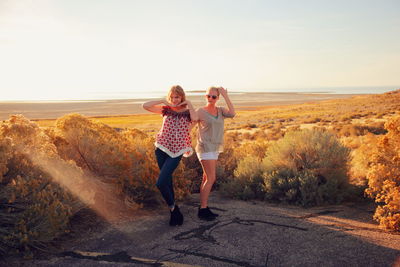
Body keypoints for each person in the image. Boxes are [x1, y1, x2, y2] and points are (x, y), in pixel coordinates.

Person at [142, 85, 197, 226]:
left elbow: (195, 119)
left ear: (182, 97)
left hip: (177, 150)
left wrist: (189, 103)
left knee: (160, 183)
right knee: (167, 181)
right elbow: (145, 105)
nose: (174, 99)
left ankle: (173, 207)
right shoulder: (165, 110)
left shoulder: (187, 112)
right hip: (161, 148)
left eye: (177, 97)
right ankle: (174, 212)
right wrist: (163, 101)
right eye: (172, 97)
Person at [195, 86, 235, 221]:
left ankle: (203, 207)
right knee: (211, 178)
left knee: (206, 178)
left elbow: (233, 113)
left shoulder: (220, 110)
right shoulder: (200, 111)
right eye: (208, 96)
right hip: (205, 148)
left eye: (213, 96)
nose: (210, 98)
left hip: (215, 148)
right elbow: (190, 124)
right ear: (205, 96)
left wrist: (226, 96)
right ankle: (203, 209)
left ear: (218, 98)